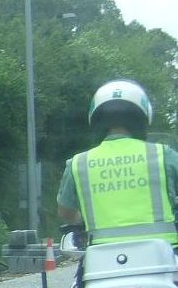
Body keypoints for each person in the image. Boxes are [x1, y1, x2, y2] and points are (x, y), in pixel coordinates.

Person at [56, 79, 178, 273]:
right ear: (142, 118)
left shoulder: (79, 163)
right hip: (164, 259)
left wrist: (83, 220)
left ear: (98, 120)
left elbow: (66, 212)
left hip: (102, 262)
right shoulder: (163, 155)